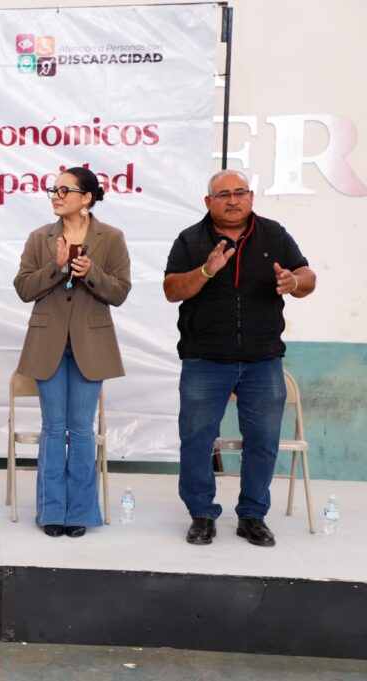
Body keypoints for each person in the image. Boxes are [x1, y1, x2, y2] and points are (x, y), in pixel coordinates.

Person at [164, 169, 316, 547]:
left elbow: (307, 276)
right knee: (197, 440)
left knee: (263, 440)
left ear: (250, 196)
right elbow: (171, 289)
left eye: (240, 192)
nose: (233, 200)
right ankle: (202, 514)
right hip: (204, 360)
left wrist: (294, 282)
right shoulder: (190, 239)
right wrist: (205, 270)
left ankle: (252, 516)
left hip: (263, 360)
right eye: (223, 195)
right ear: (208, 202)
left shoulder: (274, 235)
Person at [13, 167, 132, 538]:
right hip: (47, 342)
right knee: (53, 428)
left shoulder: (111, 238)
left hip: (91, 345)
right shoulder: (40, 237)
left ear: (87, 198)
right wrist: (57, 266)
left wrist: (91, 272)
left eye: (65, 190)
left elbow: (119, 292)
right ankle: (51, 511)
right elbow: (23, 288)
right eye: (54, 189)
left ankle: (80, 512)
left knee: (81, 430)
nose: (56, 196)